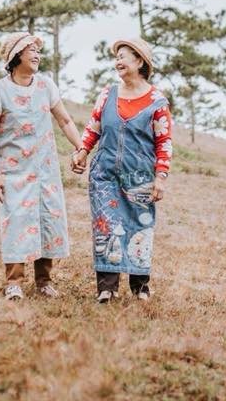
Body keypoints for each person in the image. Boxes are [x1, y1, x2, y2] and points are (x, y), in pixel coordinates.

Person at [0, 32, 85, 301]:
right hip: (14, 172)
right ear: (16, 56)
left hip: (45, 170)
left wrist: (80, 147)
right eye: (31, 51)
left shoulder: (46, 86)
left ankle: (44, 281)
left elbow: (64, 121)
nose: (37, 55)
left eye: (38, 51)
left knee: (47, 219)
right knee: (16, 222)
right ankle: (14, 282)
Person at [71, 37, 172, 302]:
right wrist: (82, 151)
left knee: (139, 226)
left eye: (123, 56)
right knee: (107, 226)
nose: (118, 61)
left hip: (140, 176)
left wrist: (160, 177)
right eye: (116, 57)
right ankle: (107, 287)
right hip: (105, 173)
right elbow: (93, 127)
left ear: (139, 61)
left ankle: (140, 286)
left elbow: (164, 142)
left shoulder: (157, 102)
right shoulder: (107, 94)